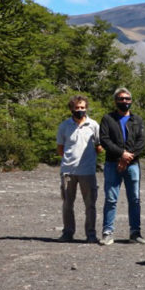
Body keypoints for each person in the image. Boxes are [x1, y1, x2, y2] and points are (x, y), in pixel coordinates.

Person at [98, 87, 145, 246]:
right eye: (121, 99)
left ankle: (135, 233)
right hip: (112, 163)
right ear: (115, 101)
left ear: (131, 101)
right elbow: (104, 140)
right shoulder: (107, 119)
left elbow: (141, 142)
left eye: (127, 99)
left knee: (135, 199)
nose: (124, 101)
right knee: (111, 199)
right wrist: (121, 154)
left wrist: (127, 157)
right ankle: (107, 232)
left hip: (132, 165)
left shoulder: (137, 120)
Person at [56, 95, 101, 243]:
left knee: (90, 204)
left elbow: (99, 147)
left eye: (82, 107)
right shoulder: (64, 126)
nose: (80, 110)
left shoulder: (93, 125)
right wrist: (69, 161)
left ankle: (91, 234)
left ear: (86, 108)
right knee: (68, 204)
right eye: (77, 108)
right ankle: (68, 232)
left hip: (87, 171)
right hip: (68, 171)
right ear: (71, 109)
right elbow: (60, 148)